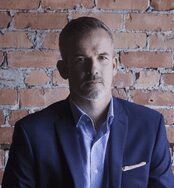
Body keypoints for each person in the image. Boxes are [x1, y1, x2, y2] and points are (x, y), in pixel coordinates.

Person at [2, 16, 174, 188]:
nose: (93, 70)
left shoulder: (149, 126)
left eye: (102, 58)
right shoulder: (32, 132)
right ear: (63, 69)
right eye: (81, 59)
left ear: (114, 66)